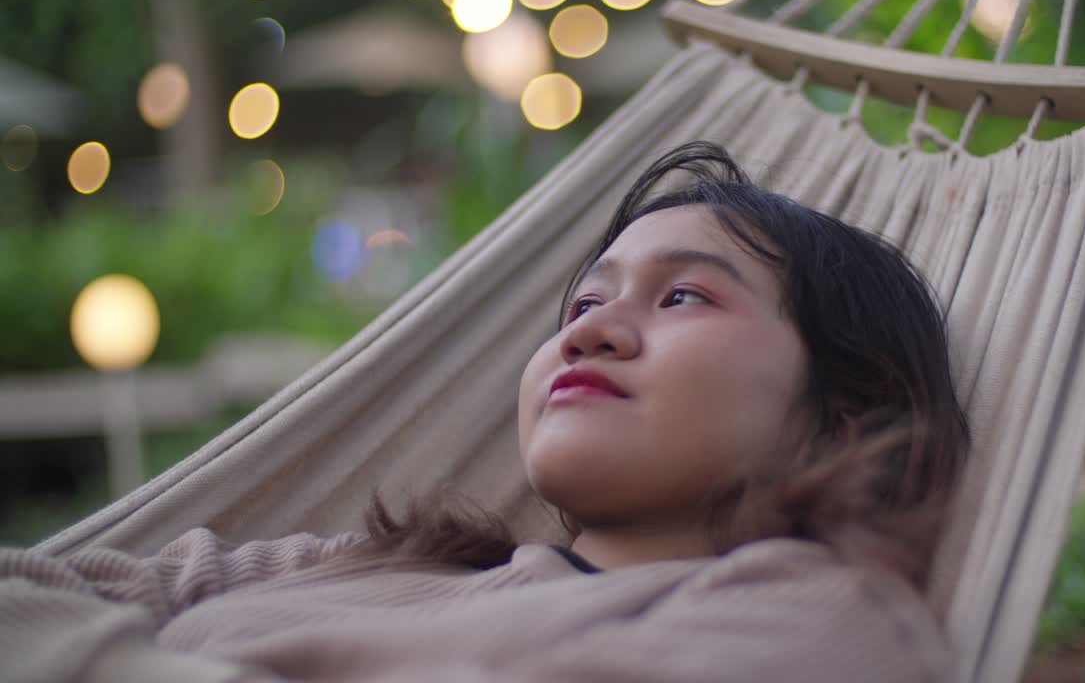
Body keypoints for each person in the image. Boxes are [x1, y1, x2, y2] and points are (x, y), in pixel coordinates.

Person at [0, 141, 969, 683]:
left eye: (683, 298)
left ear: (845, 415)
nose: (592, 334)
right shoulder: (372, 563)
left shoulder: (818, 623)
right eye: (584, 304)